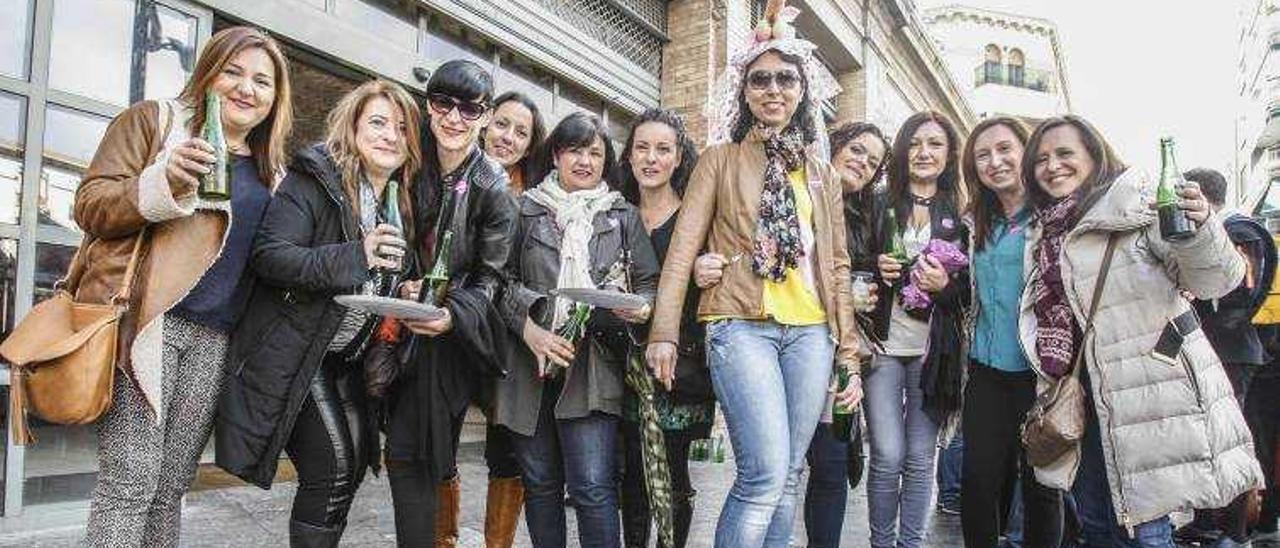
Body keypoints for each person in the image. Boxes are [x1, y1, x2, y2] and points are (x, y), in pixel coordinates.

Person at [645, 3, 862, 545]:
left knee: (788, 477)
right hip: (738, 324)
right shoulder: (718, 160)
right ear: (744, 92)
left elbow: (835, 265)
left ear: (801, 90)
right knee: (763, 474)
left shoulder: (820, 172)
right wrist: (664, 332)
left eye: (785, 78)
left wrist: (849, 356)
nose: (773, 88)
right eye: (760, 79)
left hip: (812, 333)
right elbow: (682, 251)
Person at [74, 26, 293, 547]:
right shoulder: (156, 122)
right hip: (149, 324)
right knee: (129, 484)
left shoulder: (276, 172)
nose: (246, 89)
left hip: (215, 342)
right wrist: (162, 182)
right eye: (233, 72)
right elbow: (89, 203)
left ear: (275, 98)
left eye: (263, 81)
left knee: (170, 486)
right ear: (208, 73)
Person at [1018, 115, 1263, 547]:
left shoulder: (1138, 204)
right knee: (1096, 524)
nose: (1052, 165)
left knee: (1144, 529)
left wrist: (1203, 228)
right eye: (1040, 159)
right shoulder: (1044, 230)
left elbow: (1216, 282)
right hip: (1080, 399)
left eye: (1064, 154)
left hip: (1147, 392)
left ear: (1094, 156)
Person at [215, 79, 417, 546]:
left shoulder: (395, 201)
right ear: (353, 125)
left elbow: (379, 276)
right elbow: (271, 256)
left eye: (402, 128)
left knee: (345, 477)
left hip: (346, 359)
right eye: (379, 123)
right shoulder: (314, 179)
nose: (391, 135)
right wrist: (357, 255)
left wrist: (404, 286)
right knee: (333, 469)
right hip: (298, 354)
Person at [494, 111, 659, 548]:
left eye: (595, 152)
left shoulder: (622, 216)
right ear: (555, 155)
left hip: (593, 367)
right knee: (541, 485)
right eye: (575, 150)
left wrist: (639, 309)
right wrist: (530, 330)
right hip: (528, 365)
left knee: (592, 488)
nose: (585, 161)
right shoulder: (523, 208)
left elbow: (649, 285)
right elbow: (498, 281)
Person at [381, 59, 518, 547]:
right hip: (385, 328)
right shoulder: (407, 162)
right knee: (393, 451)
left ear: (484, 116)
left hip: (447, 341)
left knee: (416, 452)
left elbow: (492, 280)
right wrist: (399, 289)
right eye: (444, 104)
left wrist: (447, 313)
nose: (454, 118)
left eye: (469, 108)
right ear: (428, 105)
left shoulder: (493, 187)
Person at [433, 90, 547, 548]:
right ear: (484, 122)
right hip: (458, 328)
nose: (508, 137)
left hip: (511, 341)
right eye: (502, 123)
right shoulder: (460, 177)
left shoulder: (536, 197)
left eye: (522, 132)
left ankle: (496, 543)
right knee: (441, 442)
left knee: (507, 453)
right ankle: (444, 539)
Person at [957, 116, 1063, 548]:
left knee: (1041, 484)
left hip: (1040, 374)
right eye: (983, 155)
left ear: (1026, 151)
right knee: (978, 480)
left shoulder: (1053, 216)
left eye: (1005, 150)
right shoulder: (973, 222)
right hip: (985, 371)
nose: (995, 161)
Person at [866, 110, 970, 548]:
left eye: (935, 144)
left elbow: (971, 293)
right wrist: (873, 267)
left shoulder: (963, 213)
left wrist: (945, 287)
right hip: (882, 345)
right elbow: (846, 263)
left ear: (949, 155)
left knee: (920, 457)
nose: (924, 152)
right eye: (915, 143)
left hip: (934, 353)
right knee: (887, 456)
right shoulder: (878, 203)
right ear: (903, 149)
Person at [616, 108, 710, 548]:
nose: (651, 158)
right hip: (622, 365)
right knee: (632, 476)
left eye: (663, 149)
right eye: (642, 148)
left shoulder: (696, 217)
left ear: (678, 158)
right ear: (630, 155)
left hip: (681, 367)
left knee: (672, 477)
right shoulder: (615, 212)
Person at [1173, 167, 1277, 548]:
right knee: (1206, 440)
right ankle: (1207, 522)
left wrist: (1205, 309)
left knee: (1229, 443)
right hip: (1220, 350)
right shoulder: (1225, 231)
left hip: (1232, 353)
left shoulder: (1239, 231)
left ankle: (1232, 530)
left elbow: (1242, 291)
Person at [801, 120, 888, 547]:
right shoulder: (800, 191)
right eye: (856, 150)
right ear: (833, 146)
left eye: (872, 162)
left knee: (831, 464)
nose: (862, 163)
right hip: (792, 341)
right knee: (779, 468)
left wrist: (869, 295)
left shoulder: (866, 216)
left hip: (839, 353)